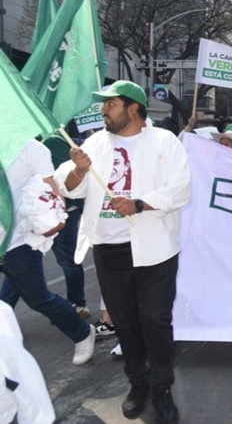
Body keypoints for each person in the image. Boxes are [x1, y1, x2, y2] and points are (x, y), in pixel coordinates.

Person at [55, 80, 191, 422]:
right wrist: (78, 170)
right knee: (126, 325)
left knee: (155, 322)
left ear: (133, 108)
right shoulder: (95, 143)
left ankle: (162, 389)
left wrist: (140, 204)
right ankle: (138, 383)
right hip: (109, 249)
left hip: (155, 250)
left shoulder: (165, 141)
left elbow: (181, 189)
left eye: (111, 104)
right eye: (104, 104)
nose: (103, 110)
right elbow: (69, 187)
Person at [1, 139, 96, 366]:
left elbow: (53, 194)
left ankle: (82, 332)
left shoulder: (30, 148)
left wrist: (53, 221)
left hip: (18, 240)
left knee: (37, 298)